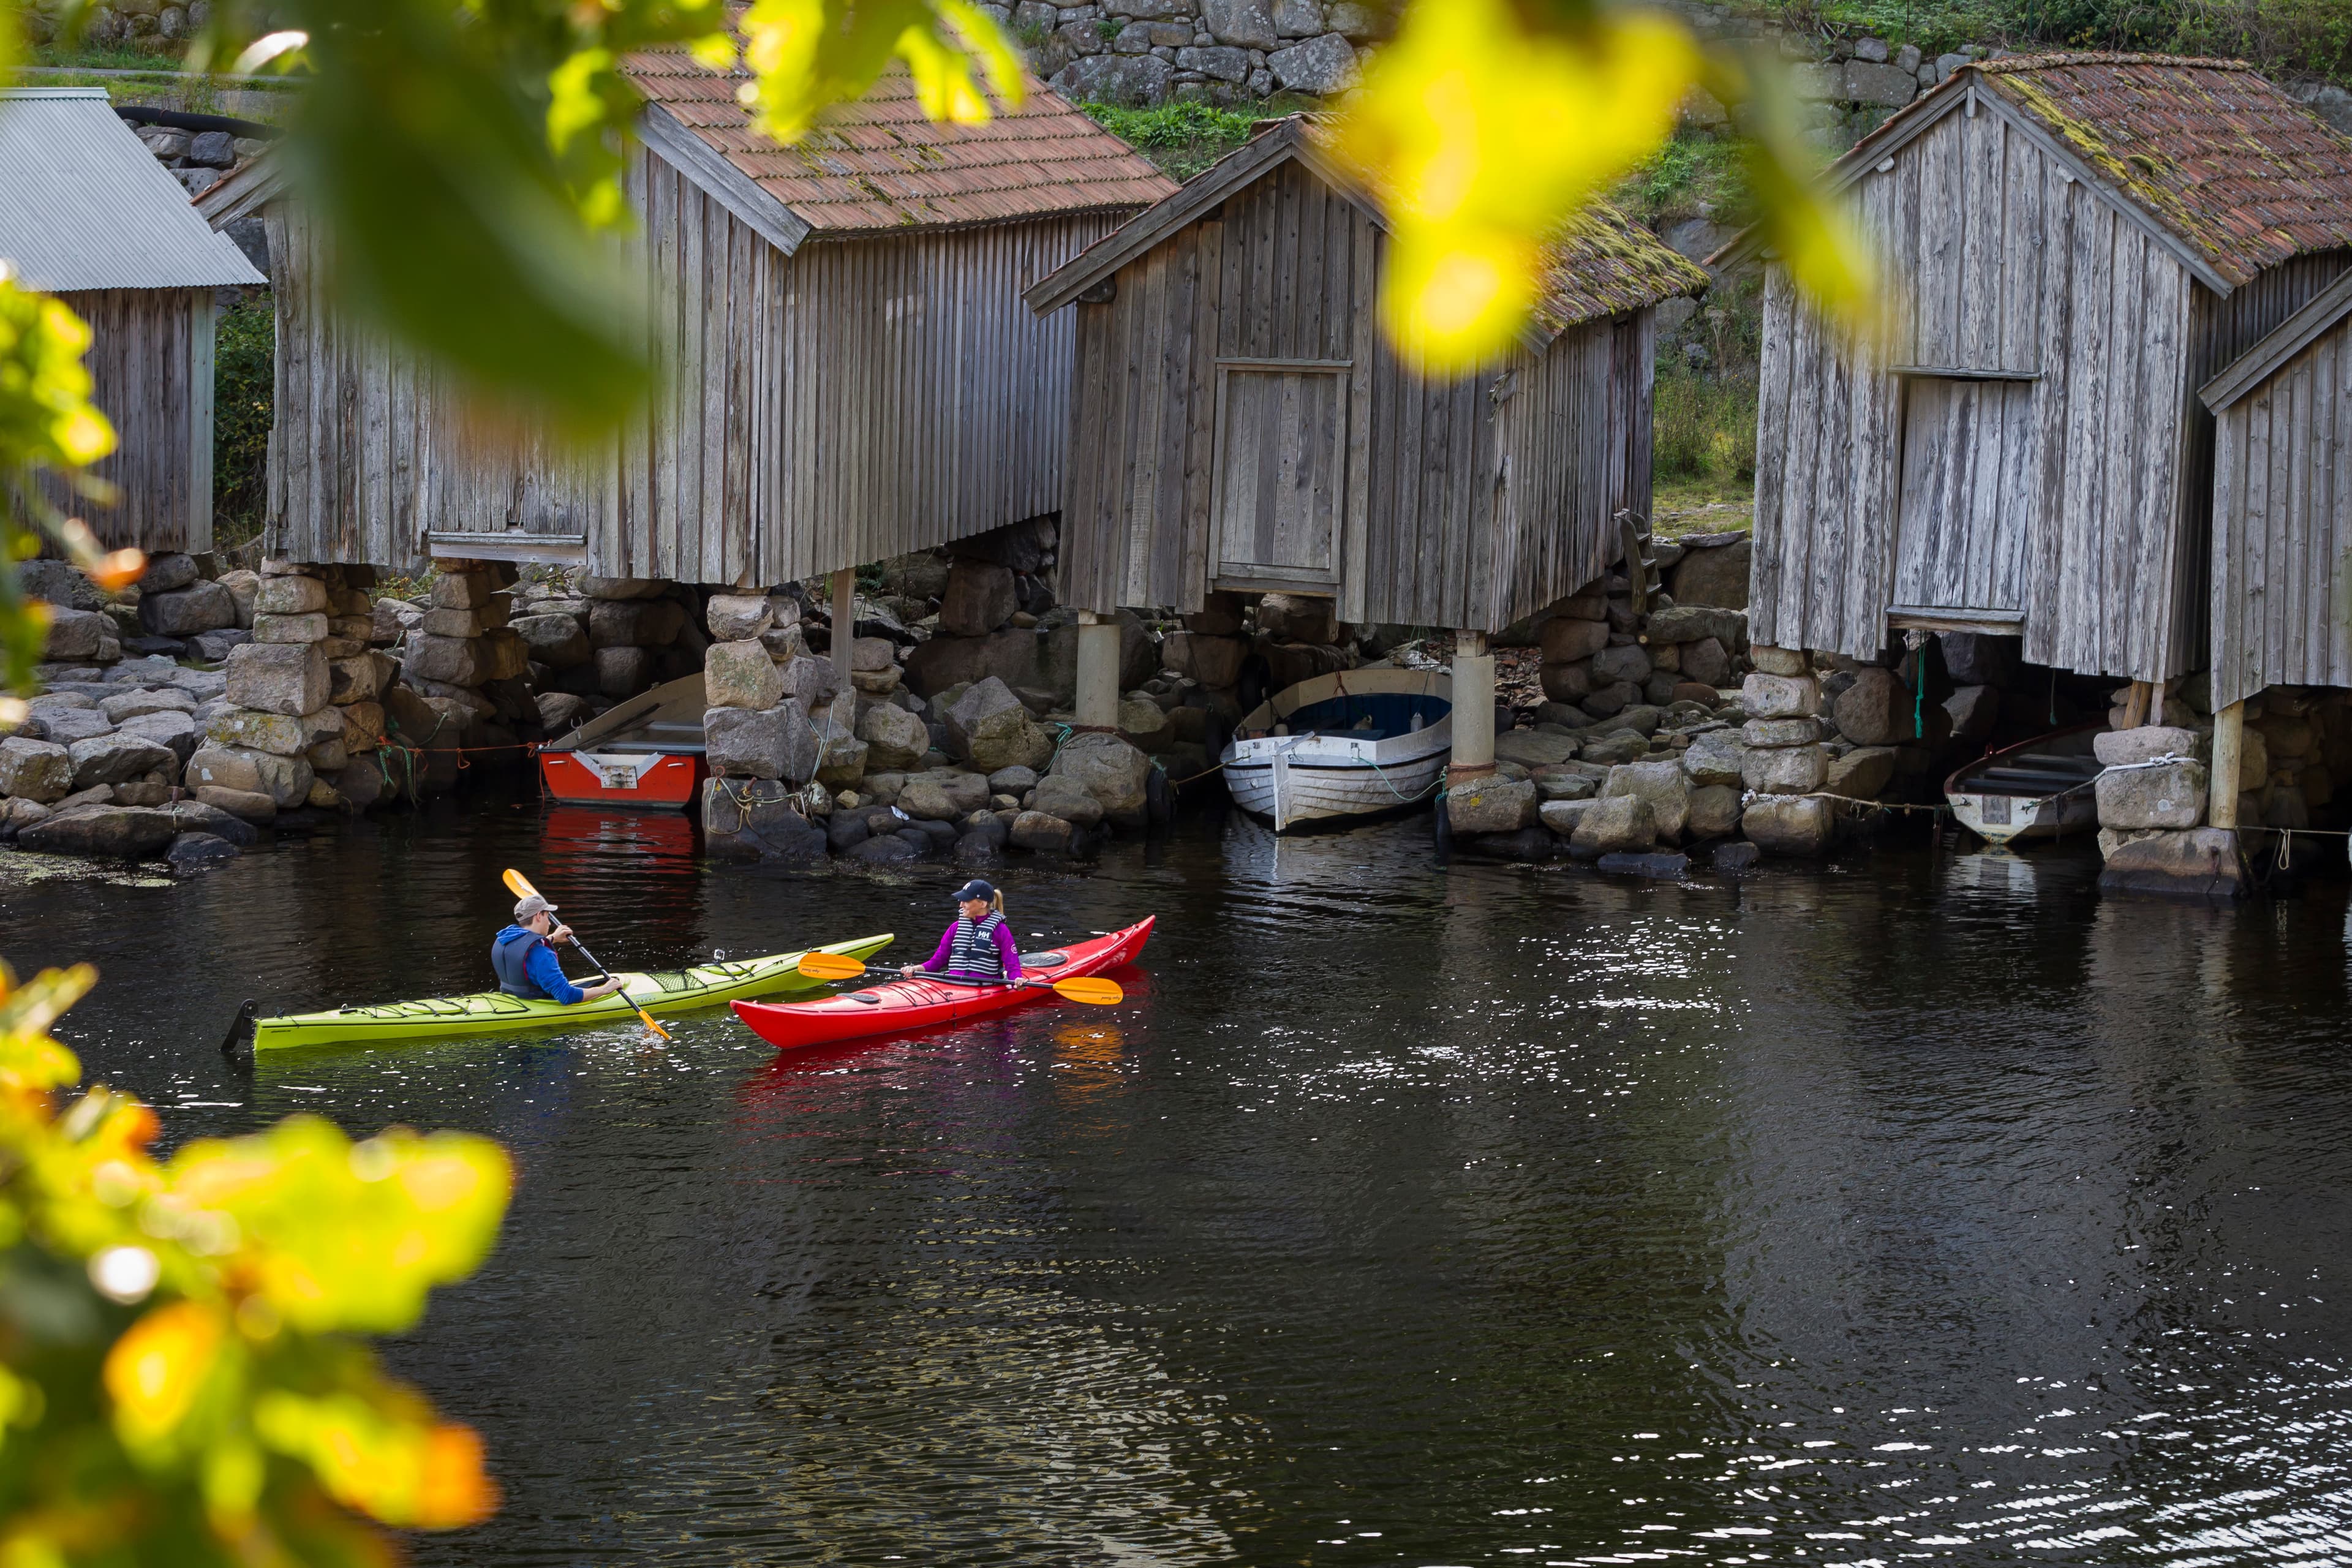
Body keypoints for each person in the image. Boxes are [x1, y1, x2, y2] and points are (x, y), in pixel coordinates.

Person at [492, 894, 626, 1003]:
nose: (550, 923)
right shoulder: (543, 953)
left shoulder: (504, 939)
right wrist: (604, 989)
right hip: (538, 1002)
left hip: (512, 999)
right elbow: (566, 996)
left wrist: (552, 938)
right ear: (539, 916)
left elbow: (523, 951)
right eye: (547, 916)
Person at [900, 880, 1023, 985]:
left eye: (966, 901)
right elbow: (937, 961)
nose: (961, 905)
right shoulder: (955, 928)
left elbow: (1012, 966)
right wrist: (915, 969)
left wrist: (1018, 982)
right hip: (953, 986)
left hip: (985, 987)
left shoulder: (1001, 931)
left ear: (982, 904)